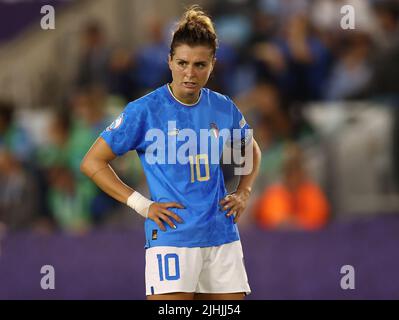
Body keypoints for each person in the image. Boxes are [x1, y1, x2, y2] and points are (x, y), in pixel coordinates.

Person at [80, 5, 261, 300]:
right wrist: (142, 205)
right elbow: (92, 162)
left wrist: (244, 191)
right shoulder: (145, 111)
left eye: (200, 65)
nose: (190, 73)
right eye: (182, 63)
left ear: (212, 65)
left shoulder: (223, 107)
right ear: (169, 61)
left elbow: (250, 149)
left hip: (221, 236)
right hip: (172, 238)